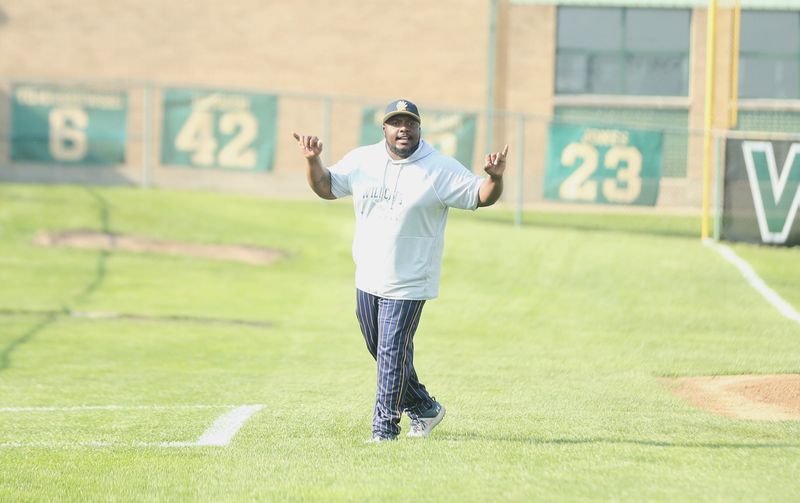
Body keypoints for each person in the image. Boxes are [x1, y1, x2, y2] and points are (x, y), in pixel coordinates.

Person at [293, 99, 507, 442]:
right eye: (396, 123)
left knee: (391, 352)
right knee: (379, 348)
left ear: (420, 128)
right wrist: (312, 159)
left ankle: (384, 429)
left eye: (410, 123)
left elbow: (480, 195)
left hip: (410, 279)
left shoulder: (438, 168)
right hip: (368, 275)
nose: (403, 129)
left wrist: (494, 178)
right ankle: (424, 408)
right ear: (385, 129)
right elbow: (326, 187)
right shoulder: (364, 159)